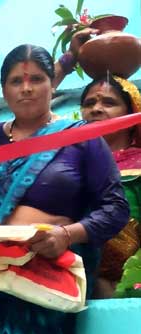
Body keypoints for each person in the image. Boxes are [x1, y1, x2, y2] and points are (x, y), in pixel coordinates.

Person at [0, 44, 129, 334]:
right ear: (3, 89)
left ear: (52, 84)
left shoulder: (81, 138)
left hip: (42, 281)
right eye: (15, 81)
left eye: (37, 79)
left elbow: (115, 208)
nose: (26, 88)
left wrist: (67, 235)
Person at [80, 74, 141, 298]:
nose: (96, 109)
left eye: (109, 102)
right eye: (89, 103)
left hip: (130, 291)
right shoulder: (66, 168)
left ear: (131, 113)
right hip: (72, 286)